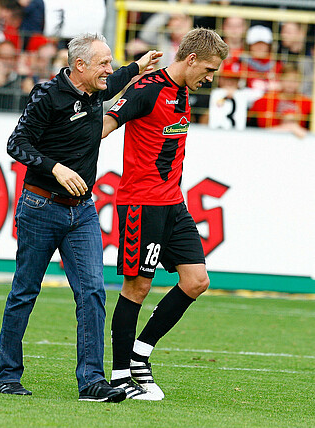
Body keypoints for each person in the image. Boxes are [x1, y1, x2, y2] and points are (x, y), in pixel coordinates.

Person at [0, 33, 162, 402]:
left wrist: (139, 66)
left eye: (111, 61)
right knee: (24, 291)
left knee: (93, 293)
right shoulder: (47, 95)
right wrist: (55, 168)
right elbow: (16, 144)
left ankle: (91, 382)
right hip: (40, 207)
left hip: (82, 211)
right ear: (79, 66)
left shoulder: (95, 89)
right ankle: (6, 376)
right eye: (103, 62)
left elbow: (116, 81)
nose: (110, 69)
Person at [102, 27, 228, 400]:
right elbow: (105, 126)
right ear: (190, 59)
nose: (210, 77)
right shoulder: (148, 89)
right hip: (142, 203)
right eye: (208, 68)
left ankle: (141, 355)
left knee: (196, 281)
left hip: (173, 203)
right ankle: (122, 375)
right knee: (137, 287)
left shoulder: (184, 90)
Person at [248, 62, 312, 138]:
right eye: (287, 79)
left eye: (295, 80)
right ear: (280, 79)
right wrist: (290, 128)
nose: (291, 84)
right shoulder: (264, 101)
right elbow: (251, 131)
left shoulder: (308, 103)